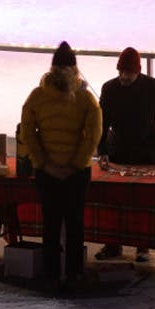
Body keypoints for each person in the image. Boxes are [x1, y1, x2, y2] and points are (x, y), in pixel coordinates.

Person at [18, 42, 101, 292]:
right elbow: (93, 135)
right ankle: (75, 274)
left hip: (47, 172)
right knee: (75, 223)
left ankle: (51, 275)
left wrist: (43, 163)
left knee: (51, 224)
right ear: (75, 69)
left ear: (52, 68)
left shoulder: (37, 96)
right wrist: (76, 164)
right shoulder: (86, 98)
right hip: (77, 173)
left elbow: (27, 133)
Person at [96, 48, 155, 263]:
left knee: (143, 202)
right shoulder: (109, 88)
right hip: (117, 150)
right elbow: (102, 123)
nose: (123, 77)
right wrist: (101, 151)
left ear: (138, 71)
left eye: (128, 73)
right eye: (121, 72)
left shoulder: (154, 87)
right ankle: (112, 244)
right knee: (113, 200)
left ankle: (143, 247)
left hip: (146, 150)